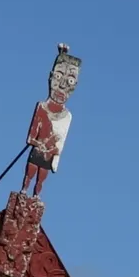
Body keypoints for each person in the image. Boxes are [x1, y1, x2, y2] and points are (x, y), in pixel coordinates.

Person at [21, 44, 81, 197]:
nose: (62, 86)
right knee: (30, 175)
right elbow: (31, 137)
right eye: (59, 77)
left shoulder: (67, 116)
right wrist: (39, 143)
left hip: (47, 156)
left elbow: (59, 146)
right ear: (51, 76)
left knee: (41, 179)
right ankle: (24, 191)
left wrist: (53, 152)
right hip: (38, 152)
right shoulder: (42, 107)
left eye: (70, 81)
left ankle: (35, 196)